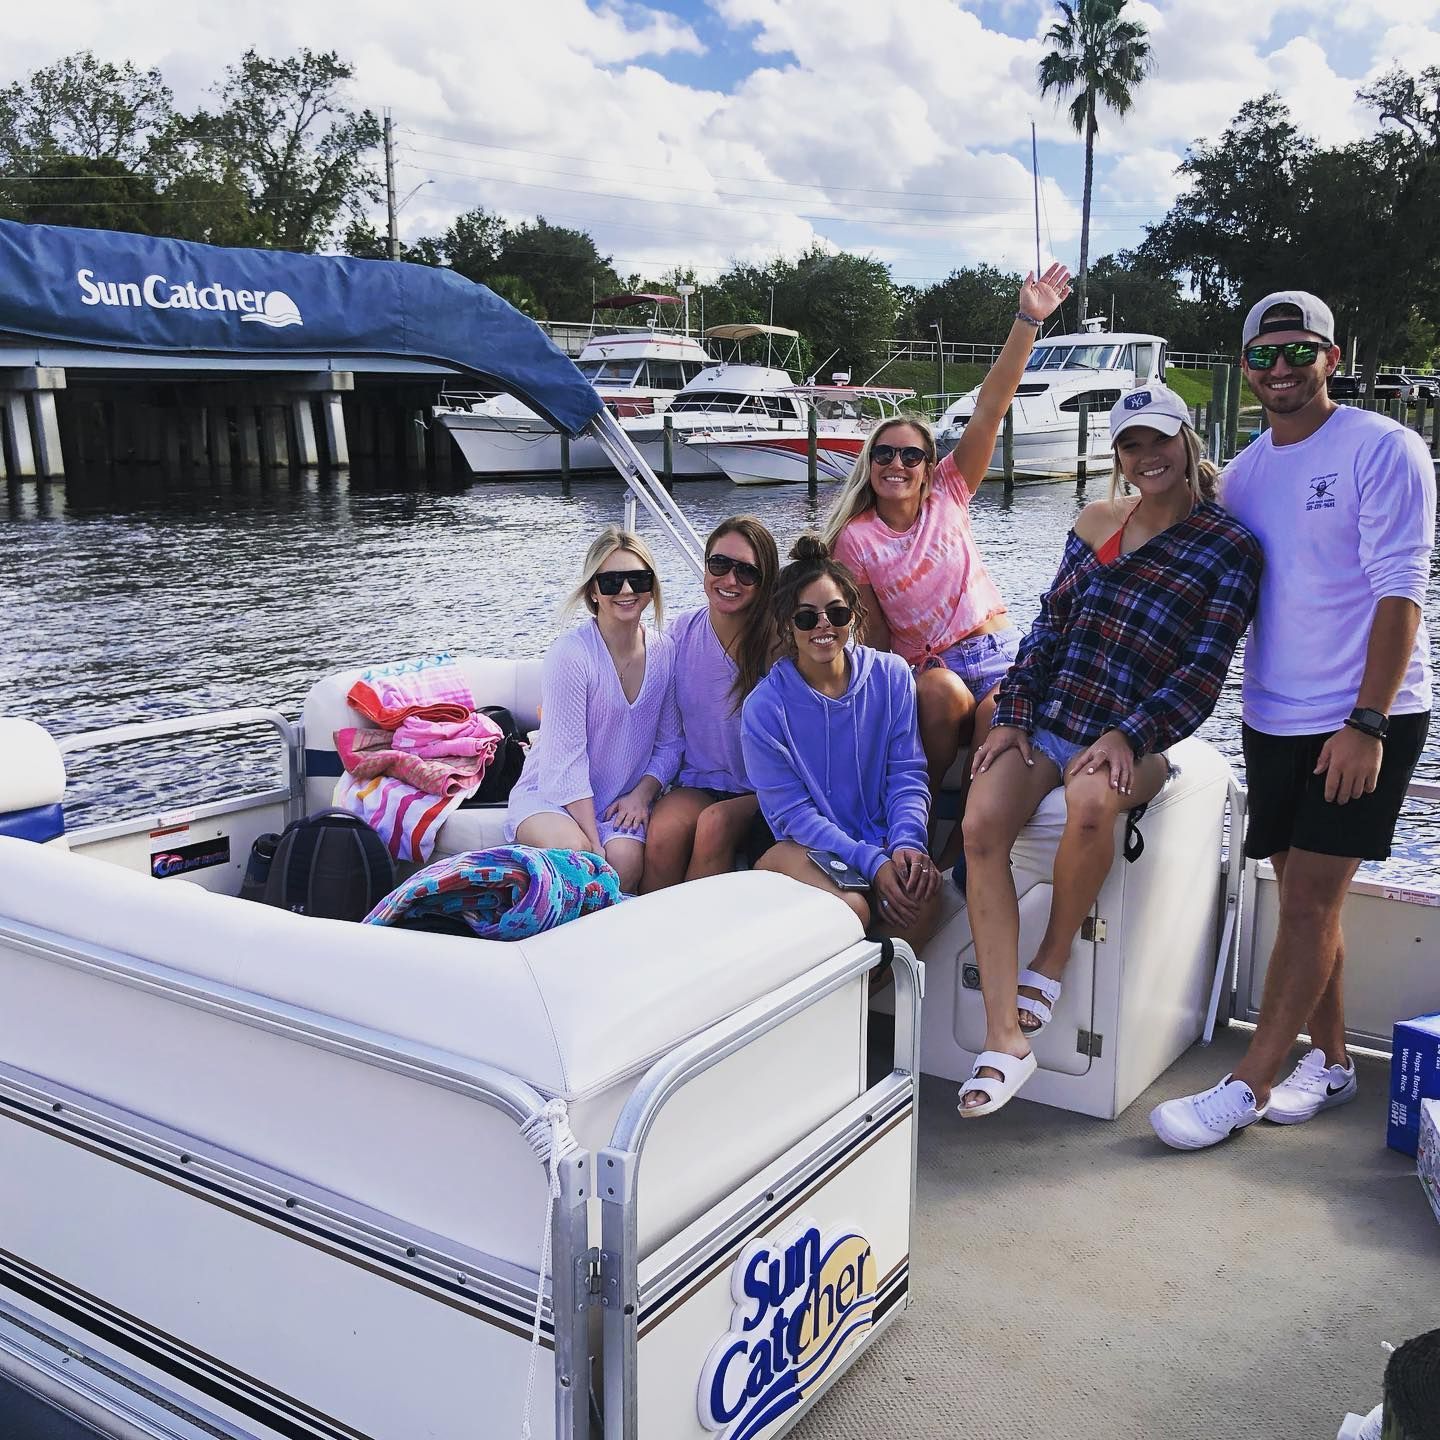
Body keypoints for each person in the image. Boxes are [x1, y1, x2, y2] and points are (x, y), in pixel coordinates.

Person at [1151, 291, 1435, 1150]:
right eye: (1263, 356)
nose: (1280, 369)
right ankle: (1337, 1061)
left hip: (1362, 717)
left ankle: (1247, 1085)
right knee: (1311, 899)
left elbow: (1400, 592)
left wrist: (1369, 721)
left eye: (1298, 352)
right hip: (1273, 715)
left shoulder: (1385, 448)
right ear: (1245, 369)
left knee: (1308, 901)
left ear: (1332, 358)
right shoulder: (1241, 475)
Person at [958, 385, 1263, 1117]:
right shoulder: (1096, 521)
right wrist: (1015, 714)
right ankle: (1006, 1037)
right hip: (1054, 715)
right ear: (1118, 456)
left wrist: (1130, 733)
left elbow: (1203, 671)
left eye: (1159, 439)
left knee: (1093, 800)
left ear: (1187, 441)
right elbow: (1047, 630)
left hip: (1140, 736)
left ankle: (1052, 956)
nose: (1146, 456)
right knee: (977, 827)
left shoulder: (1230, 547)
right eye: (1131, 444)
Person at [822, 264, 1072, 812]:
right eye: (884, 453)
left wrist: (1028, 320)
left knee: (997, 710)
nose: (897, 464)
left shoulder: (949, 491)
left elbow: (990, 409)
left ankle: (967, 841)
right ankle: (915, 811)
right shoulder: (857, 540)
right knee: (941, 695)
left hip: (999, 648)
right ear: (869, 464)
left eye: (912, 455)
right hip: (932, 667)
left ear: (929, 466)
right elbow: (876, 636)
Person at [740, 535, 942, 948]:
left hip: (880, 839)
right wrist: (873, 863)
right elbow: (794, 817)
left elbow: (906, 775)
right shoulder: (764, 708)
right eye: (806, 618)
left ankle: (866, 1006)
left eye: (836, 612)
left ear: (853, 616)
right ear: (786, 624)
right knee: (851, 908)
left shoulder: (893, 677)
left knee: (924, 895)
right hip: (793, 844)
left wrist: (906, 844)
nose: (823, 626)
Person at [505, 526, 682, 894]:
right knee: (580, 856)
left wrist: (642, 795)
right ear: (593, 592)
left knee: (626, 863)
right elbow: (566, 763)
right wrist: (593, 841)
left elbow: (670, 746)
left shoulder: (665, 652)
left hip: (617, 800)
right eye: (612, 581)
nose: (627, 590)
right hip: (551, 795)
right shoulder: (571, 655)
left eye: (638, 579)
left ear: (652, 586)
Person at [641, 516, 781, 891]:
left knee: (714, 824)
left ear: (764, 581)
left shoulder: (780, 645)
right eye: (719, 564)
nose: (730, 580)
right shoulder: (680, 634)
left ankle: (693, 941)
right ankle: (646, 934)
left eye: (746, 572)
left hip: (762, 791)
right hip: (699, 780)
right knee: (663, 832)